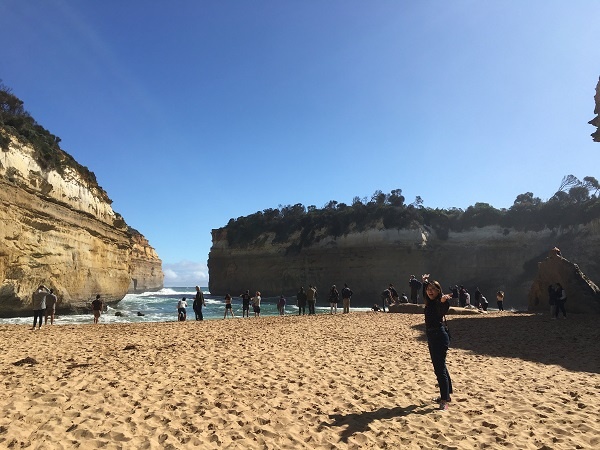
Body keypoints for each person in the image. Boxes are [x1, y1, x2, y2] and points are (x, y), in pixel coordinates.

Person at [422, 275, 453, 411]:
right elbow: (426, 290)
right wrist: (425, 282)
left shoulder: (439, 303)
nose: (430, 291)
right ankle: (447, 395)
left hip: (439, 337)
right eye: (429, 289)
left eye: (433, 289)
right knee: (441, 366)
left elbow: (442, 308)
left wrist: (443, 300)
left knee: (439, 369)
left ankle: (444, 400)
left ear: (439, 291)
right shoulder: (429, 301)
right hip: (432, 336)